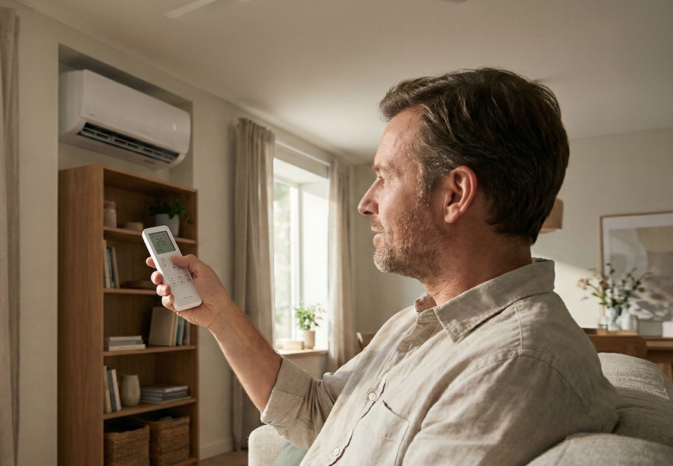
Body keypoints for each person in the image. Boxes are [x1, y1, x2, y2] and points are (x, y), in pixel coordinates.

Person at [148, 68, 617, 465]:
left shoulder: (513, 363)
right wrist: (219, 315)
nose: (364, 203)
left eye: (383, 177)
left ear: (454, 194)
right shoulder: (422, 322)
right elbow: (315, 412)